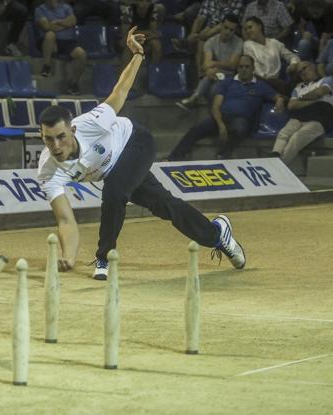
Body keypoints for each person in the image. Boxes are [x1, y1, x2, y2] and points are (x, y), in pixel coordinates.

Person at [36, 26, 246, 280]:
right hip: (116, 168)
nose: (56, 146)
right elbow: (65, 220)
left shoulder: (92, 123)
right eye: (48, 140)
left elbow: (120, 91)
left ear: (72, 130)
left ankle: (104, 258)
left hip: (136, 142)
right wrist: (69, 255)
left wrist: (137, 55)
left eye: (61, 137)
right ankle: (216, 234)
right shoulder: (48, 169)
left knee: (114, 191)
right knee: (166, 206)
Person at [167, 55, 285, 161]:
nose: (244, 69)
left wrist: (279, 100)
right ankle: (173, 158)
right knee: (195, 130)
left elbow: (277, 96)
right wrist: (221, 125)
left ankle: (223, 154)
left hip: (242, 120)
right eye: (241, 67)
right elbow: (216, 106)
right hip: (220, 117)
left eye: (247, 67)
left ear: (253, 68)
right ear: (237, 68)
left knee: (239, 128)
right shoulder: (227, 83)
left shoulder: (260, 86)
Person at [270, 61, 333, 164]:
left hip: (319, 118)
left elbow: (320, 92)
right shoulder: (298, 87)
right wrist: (315, 99)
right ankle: (275, 155)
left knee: (297, 137)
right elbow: (291, 105)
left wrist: (302, 99)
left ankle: (281, 164)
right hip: (299, 116)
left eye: (304, 68)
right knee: (283, 133)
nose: (303, 72)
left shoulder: (327, 80)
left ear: (312, 66)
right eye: (300, 72)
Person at [177, 13, 242, 110]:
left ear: (235, 30)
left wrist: (215, 64)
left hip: (230, 77)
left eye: (231, 30)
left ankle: (194, 98)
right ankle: (201, 105)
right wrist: (211, 69)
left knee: (213, 90)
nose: (228, 32)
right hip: (213, 75)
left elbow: (232, 65)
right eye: (226, 27)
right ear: (221, 26)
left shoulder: (239, 42)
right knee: (211, 83)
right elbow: (206, 64)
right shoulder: (210, 42)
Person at [34, 0, 87, 95]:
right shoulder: (40, 9)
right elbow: (46, 26)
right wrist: (65, 25)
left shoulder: (66, 8)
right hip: (50, 42)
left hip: (68, 41)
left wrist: (57, 22)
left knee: (81, 54)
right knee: (50, 34)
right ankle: (47, 66)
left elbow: (73, 21)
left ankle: (74, 83)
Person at [243, 15, 299, 95]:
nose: (248, 31)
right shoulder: (248, 45)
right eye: (246, 29)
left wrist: (293, 64)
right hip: (260, 81)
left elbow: (292, 56)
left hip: (277, 81)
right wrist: (268, 80)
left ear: (259, 26)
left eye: (250, 27)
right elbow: (255, 68)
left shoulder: (274, 42)